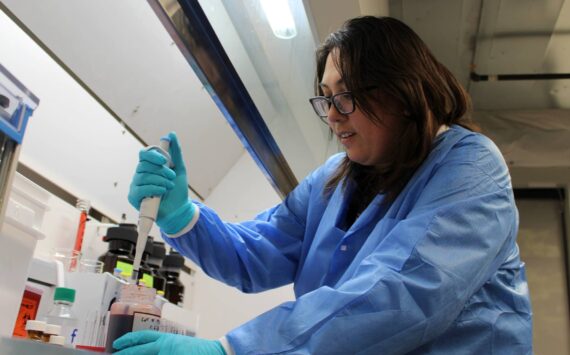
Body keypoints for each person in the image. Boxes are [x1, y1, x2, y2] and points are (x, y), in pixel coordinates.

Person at [117, 16, 532, 355]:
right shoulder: (332, 181)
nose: (332, 115)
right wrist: (182, 216)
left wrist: (231, 350)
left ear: (403, 92)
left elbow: (404, 292)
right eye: (325, 97)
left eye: (346, 96)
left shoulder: (470, 166)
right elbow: (255, 254)